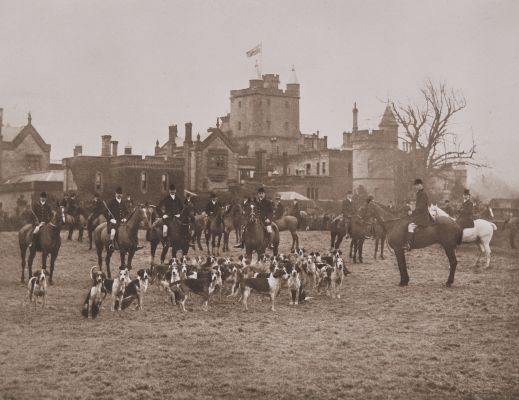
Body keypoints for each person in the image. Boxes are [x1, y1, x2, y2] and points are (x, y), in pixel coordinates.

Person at [405, 179, 432, 251]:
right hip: (420, 215)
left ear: (420, 185)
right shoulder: (420, 193)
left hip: (422, 217)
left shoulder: (423, 194)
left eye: (416, 186)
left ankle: (409, 245)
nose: (416, 187)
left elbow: (421, 207)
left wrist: (412, 212)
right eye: (415, 186)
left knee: (410, 226)